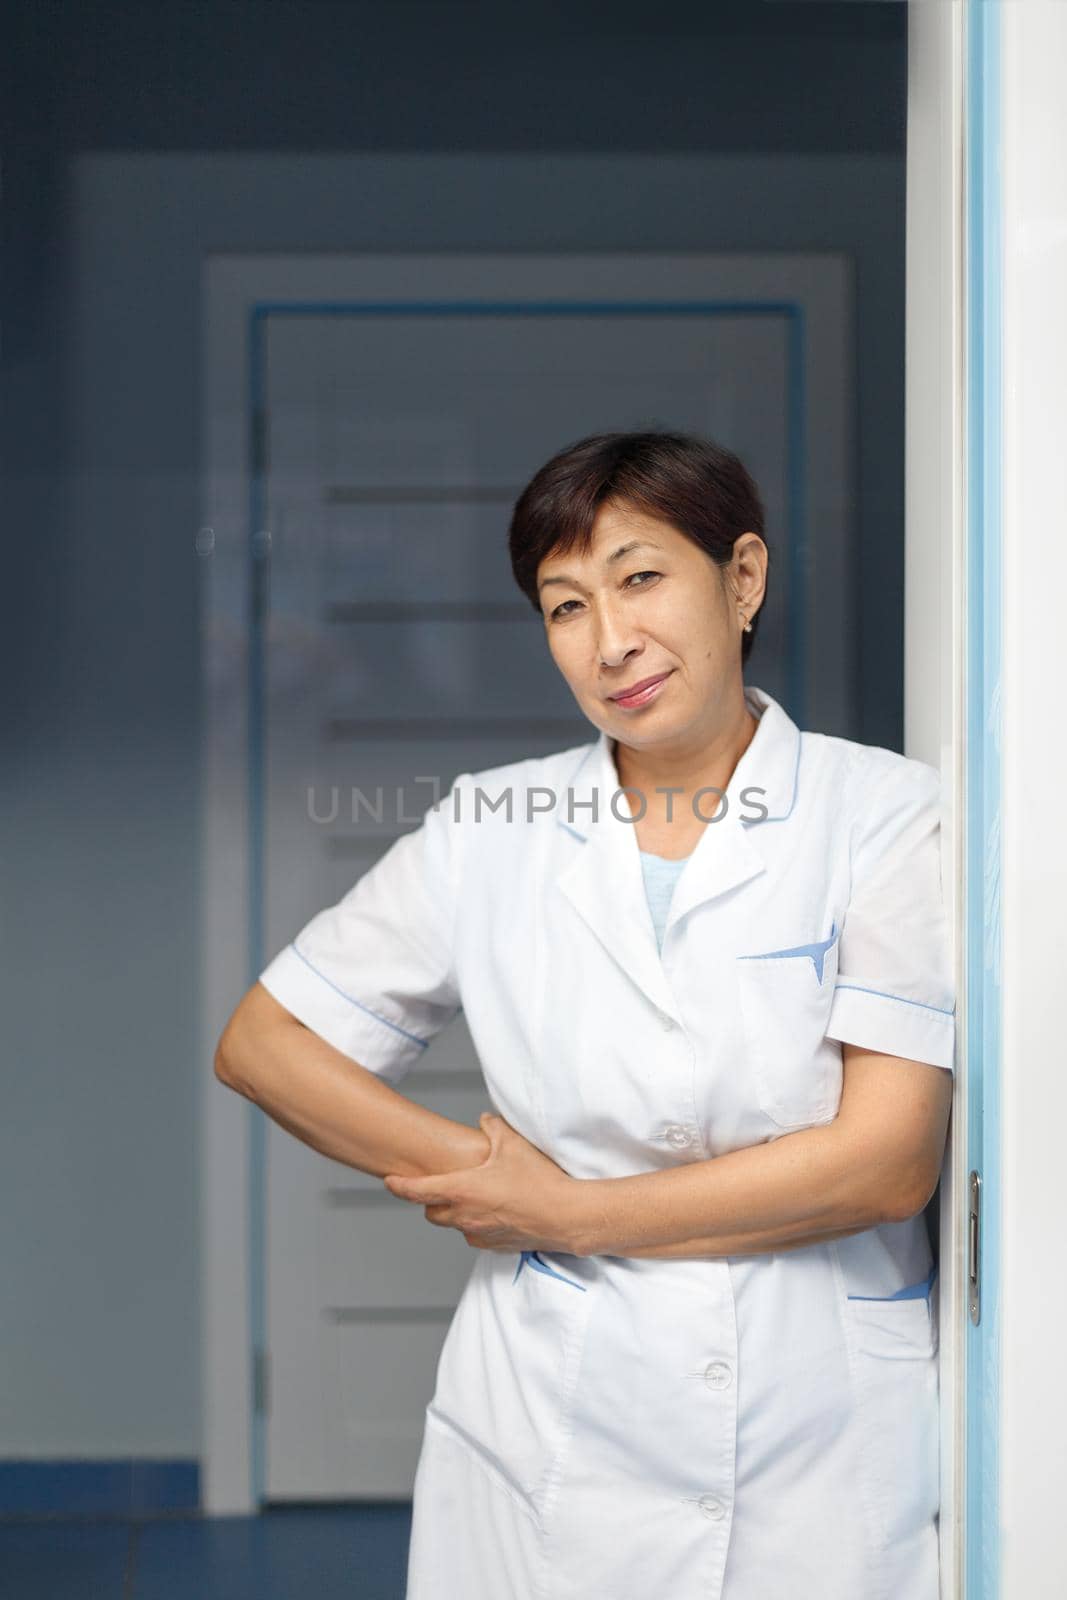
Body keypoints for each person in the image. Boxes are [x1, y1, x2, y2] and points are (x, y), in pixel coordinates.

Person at [215, 430, 955, 1600]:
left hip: (810, 1422)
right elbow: (265, 1044)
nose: (608, 641)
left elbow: (884, 1163)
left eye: (640, 578)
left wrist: (565, 1209)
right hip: (558, 1423)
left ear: (743, 577)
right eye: (563, 606)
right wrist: (475, 1173)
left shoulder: (880, 815)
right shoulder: (488, 824)